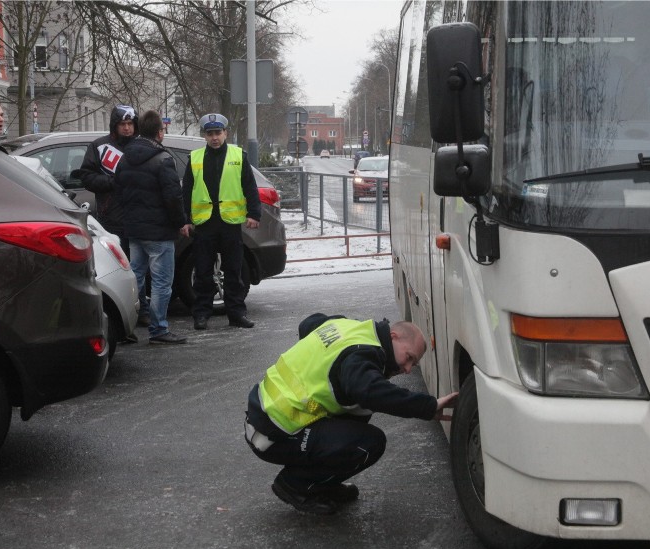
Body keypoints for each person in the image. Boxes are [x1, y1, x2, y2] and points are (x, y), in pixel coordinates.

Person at [244, 313, 459, 515]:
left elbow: (309, 324)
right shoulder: (362, 356)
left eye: (414, 363)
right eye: (409, 357)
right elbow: (372, 392)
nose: (408, 368)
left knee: (358, 412)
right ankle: (296, 485)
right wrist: (428, 407)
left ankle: (322, 483)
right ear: (393, 336)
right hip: (274, 433)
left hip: (263, 415)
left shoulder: (351, 327)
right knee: (368, 443)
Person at [181, 113, 261, 331]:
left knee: (233, 272)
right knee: (203, 271)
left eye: (218, 133)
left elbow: (250, 187)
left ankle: (236, 314)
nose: (214, 137)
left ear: (226, 133)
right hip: (204, 224)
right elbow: (186, 191)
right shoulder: (195, 158)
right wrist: (185, 220)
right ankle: (201, 314)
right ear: (204, 136)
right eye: (210, 134)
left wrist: (254, 214)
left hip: (229, 223)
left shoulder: (238, 155)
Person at [115, 110, 188, 345]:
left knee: (136, 275)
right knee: (161, 281)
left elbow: (119, 190)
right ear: (160, 132)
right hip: (158, 231)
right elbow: (173, 197)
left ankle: (131, 323)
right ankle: (158, 329)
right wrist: (180, 222)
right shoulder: (162, 159)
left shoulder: (125, 157)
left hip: (134, 229)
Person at [76, 104, 148, 327]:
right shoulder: (99, 147)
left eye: (130, 124)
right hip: (111, 218)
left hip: (139, 217)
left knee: (138, 268)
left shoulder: (142, 146)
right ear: (114, 126)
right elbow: (86, 176)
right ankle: (119, 312)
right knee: (116, 269)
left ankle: (142, 310)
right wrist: (112, 182)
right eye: (122, 124)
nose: (126, 128)